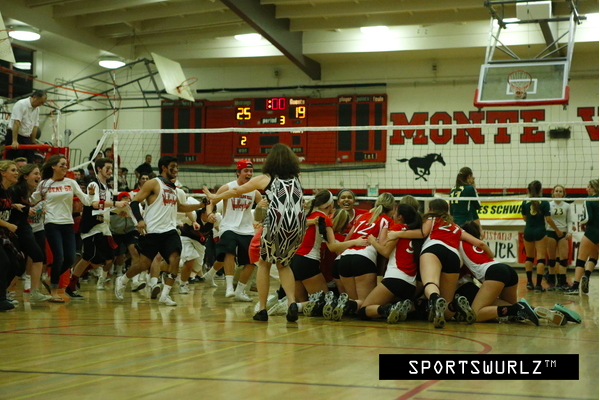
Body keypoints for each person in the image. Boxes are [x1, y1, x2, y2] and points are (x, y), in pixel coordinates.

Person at [203, 143, 307, 322]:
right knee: (284, 264)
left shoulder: (265, 178)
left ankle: (263, 309)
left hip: (276, 222)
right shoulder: (297, 179)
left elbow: (236, 190)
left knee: (264, 264)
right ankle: (291, 302)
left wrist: (215, 197)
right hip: (298, 225)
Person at [114, 156, 206, 306]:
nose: (176, 170)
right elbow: (135, 202)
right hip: (152, 230)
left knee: (175, 259)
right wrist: (140, 220)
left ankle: (165, 295)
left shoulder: (172, 188)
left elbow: (180, 207)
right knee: (143, 264)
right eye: (173, 166)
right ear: (164, 167)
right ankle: (123, 279)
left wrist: (199, 205)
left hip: (170, 230)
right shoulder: (153, 183)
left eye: (177, 167)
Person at [388, 198, 492, 329]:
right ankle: (455, 306)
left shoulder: (431, 219)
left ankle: (435, 299)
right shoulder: (456, 227)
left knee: (430, 283)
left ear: (430, 209)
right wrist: (490, 254)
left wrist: (397, 234)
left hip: (434, 249)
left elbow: (422, 233)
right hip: (453, 256)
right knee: (447, 305)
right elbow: (480, 243)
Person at [292, 190, 367, 316]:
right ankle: (290, 306)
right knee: (327, 302)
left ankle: (289, 305)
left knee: (306, 304)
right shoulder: (324, 219)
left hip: (294, 260)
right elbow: (332, 247)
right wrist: (356, 241)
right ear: (331, 205)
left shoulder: (308, 216)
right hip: (307, 260)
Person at [30, 155, 93, 302]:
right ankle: (54, 291)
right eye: (62, 164)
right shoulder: (45, 184)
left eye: (66, 165)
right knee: (59, 257)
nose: (65, 167)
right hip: (51, 223)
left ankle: (50, 279)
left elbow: (86, 201)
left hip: (67, 223)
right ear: (53, 166)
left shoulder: (71, 182)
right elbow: (31, 200)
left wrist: (90, 194)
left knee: (70, 258)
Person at [66, 158, 127, 298]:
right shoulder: (93, 184)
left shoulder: (107, 188)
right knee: (90, 255)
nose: (110, 171)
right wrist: (115, 203)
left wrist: (118, 211)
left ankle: (76, 274)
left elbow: (106, 206)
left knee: (108, 259)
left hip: (104, 227)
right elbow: (94, 204)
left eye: (111, 169)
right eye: (108, 168)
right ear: (99, 168)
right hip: (92, 226)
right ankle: (72, 282)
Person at [202, 160, 261, 302]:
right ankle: (229, 287)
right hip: (228, 226)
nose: (249, 174)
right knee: (228, 251)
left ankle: (240, 291)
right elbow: (211, 201)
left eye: (251, 171)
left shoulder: (254, 191)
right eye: (246, 171)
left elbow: (263, 207)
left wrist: (262, 217)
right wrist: (210, 213)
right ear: (238, 172)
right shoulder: (228, 187)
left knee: (251, 261)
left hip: (247, 229)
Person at [331, 192, 396, 321]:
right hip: (363, 258)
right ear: (393, 208)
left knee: (355, 303)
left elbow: (347, 240)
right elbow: (382, 245)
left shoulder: (361, 217)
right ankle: (346, 305)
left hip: (344, 259)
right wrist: (374, 242)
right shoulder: (386, 220)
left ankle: (343, 304)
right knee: (366, 306)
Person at [358, 204, 424, 323]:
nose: (392, 215)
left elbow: (385, 252)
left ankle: (389, 309)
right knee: (388, 301)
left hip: (395, 279)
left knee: (364, 310)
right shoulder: (413, 232)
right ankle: (405, 307)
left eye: (395, 213)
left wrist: (373, 241)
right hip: (411, 285)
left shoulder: (397, 228)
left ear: (400, 217)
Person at [8, 163, 51, 303]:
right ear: (26, 176)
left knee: (38, 256)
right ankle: (6, 292)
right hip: (13, 228)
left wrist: (30, 209)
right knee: (17, 262)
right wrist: (23, 208)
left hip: (24, 226)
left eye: (39, 174)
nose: (39, 177)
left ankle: (34, 292)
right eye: (35, 174)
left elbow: (25, 209)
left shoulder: (28, 190)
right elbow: (9, 208)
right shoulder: (15, 189)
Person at [521, 180, 562, 292]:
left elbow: (524, 218)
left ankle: (529, 282)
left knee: (529, 257)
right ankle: (538, 285)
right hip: (540, 231)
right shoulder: (544, 202)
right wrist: (557, 230)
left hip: (528, 230)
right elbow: (548, 219)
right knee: (540, 258)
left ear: (528, 190)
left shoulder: (525, 202)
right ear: (540, 190)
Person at [565, 179, 599, 295]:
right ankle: (587, 274)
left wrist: (581, 222)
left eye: (588, 187)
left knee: (581, 260)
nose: (586, 189)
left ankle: (575, 286)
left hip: (591, 231)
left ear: (594, 188)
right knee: (594, 257)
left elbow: (586, 218)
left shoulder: (589, 200)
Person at [0, 160, 22, 310]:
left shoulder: (7, 190)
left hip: (2, 233)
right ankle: (1, 299)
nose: (16, 173)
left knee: (16, 263)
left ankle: (2, 293)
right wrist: (8, 225)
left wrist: (13, 205)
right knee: (4, 263)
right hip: (3, 230)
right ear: (3, 172)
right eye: (13, 170)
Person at [545, 185, 573, 291]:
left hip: (563, 233)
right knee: (551, 259)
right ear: (553, 193)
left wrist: (569, 232)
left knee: (563, 259)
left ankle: (562, 282)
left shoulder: (566, 205)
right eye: (556, 191)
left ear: (563, 193)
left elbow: (569, 220)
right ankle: (551, 282)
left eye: (560, 191)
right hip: (551, 232)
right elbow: (546, 220)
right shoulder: (548, 204)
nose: (558, 193)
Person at [7, 90, 47, 163]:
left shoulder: (37, 109)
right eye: (40, 102)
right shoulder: (21, 104)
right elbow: (16, 122)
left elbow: (35, 126)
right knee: (18, 160)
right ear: (34, 97)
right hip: (15, 135)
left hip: (25, 137)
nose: (40, 104)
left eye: (42, 103)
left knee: (30, 159)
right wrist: (14, 141)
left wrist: (33, 143)